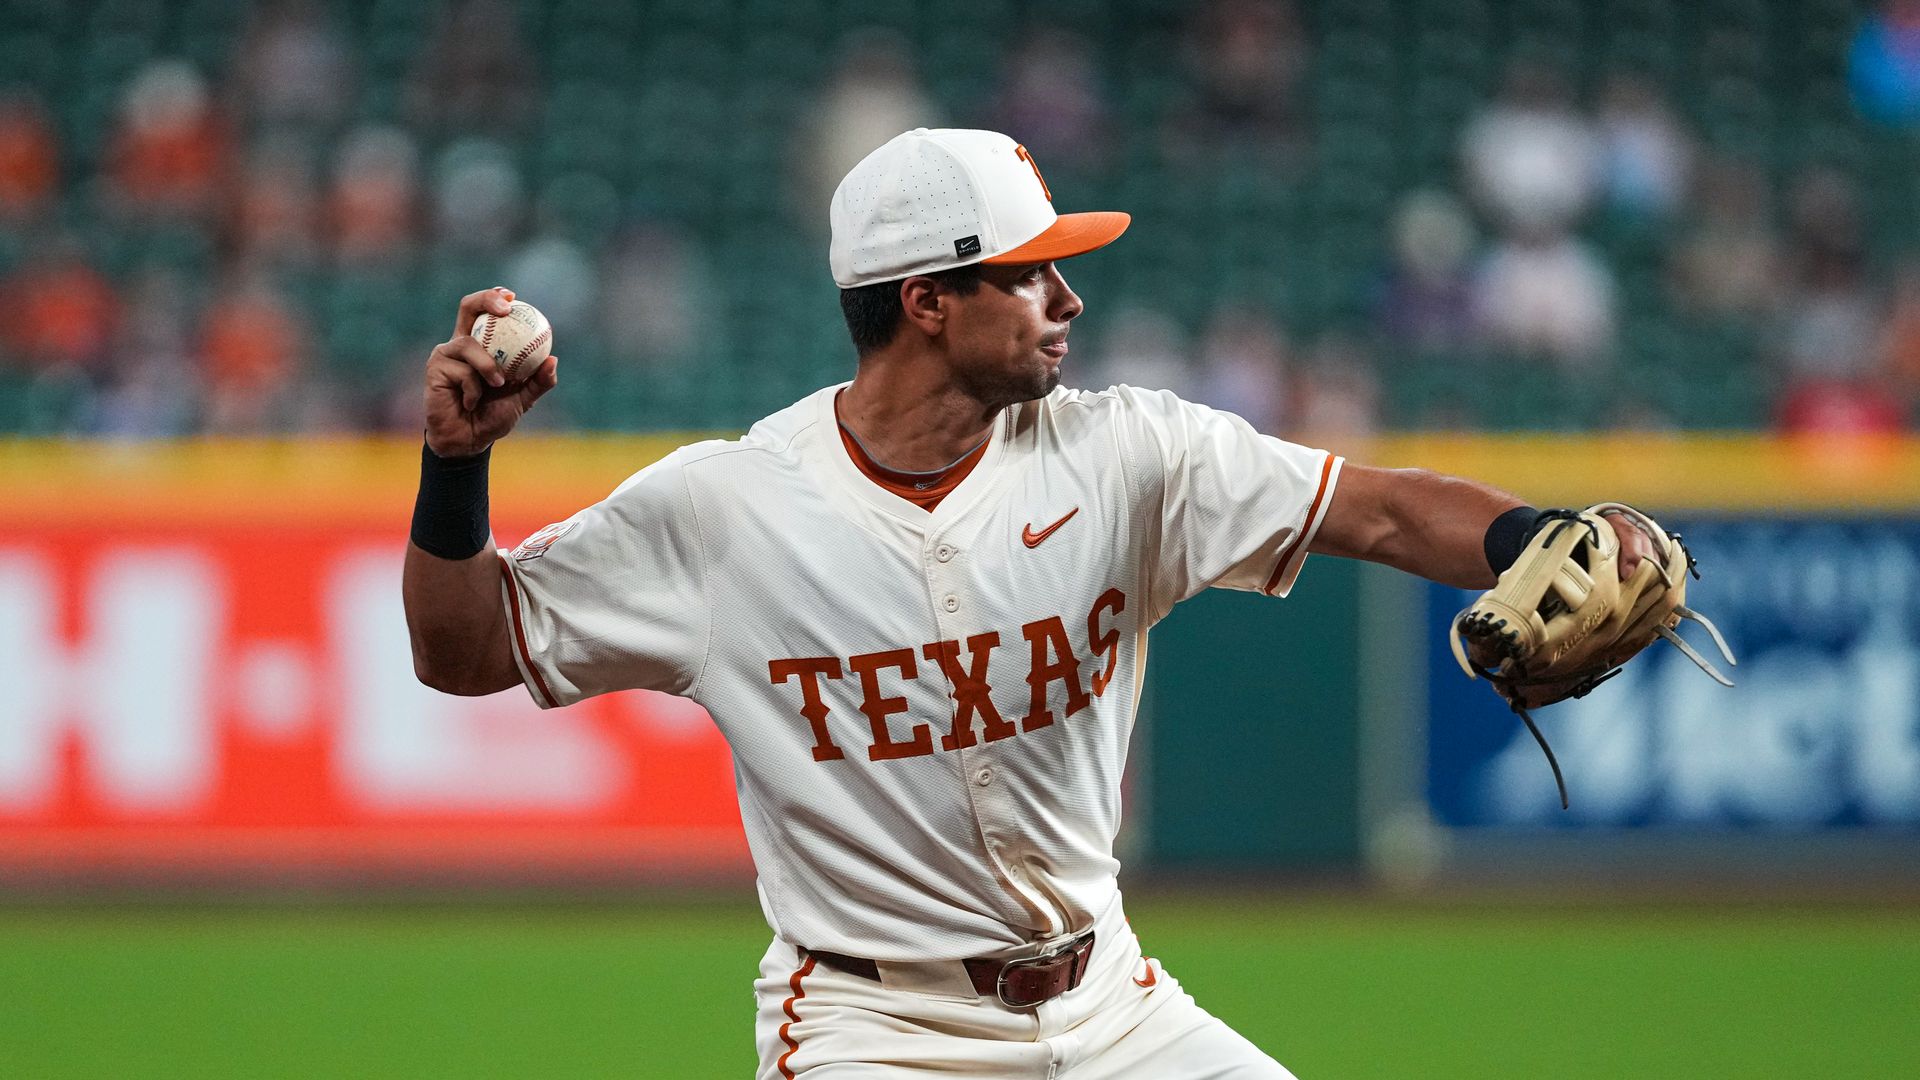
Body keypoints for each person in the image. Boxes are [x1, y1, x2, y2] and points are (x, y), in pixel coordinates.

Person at [402, 128, 1653, 1078]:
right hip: (874, 1022)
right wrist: (456, 472)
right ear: (927, 302)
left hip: (1114, 1004)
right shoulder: (726, 509)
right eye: (1033, 275)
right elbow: (465, 652)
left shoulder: (1128, 454)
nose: (1071, 301)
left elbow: (1372, 506)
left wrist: (1529, 535)